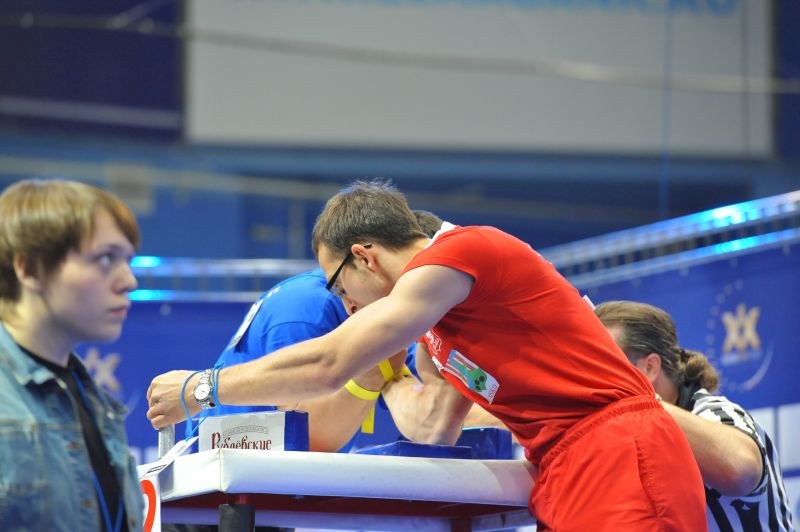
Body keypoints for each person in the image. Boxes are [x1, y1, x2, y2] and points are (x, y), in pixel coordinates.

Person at [148, 180, 707, 530]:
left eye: (337, 286)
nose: (343, 304)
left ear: (364, 258)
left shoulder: (464, 252)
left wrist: (202, 388)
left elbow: (326, 365)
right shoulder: (439, 327)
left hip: (616, 455)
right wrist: (381, 370)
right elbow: (431, 427)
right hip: (562, 467)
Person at [205, 209, 445, 452]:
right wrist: (373, 375)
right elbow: (303, 439)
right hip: (227, 468)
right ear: (370, 260)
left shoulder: (401, 316)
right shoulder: (304, 307)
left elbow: (434, 416)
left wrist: (391, 375)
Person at [0, 179, 144, 531]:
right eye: (105, 258)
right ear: (30, 268)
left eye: (127, 260)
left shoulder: (91, 400)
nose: (129, 280)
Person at [595, 300, 794, 532]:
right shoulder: (625, 440)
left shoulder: (713, 412)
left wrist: (639, 406)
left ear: (649, 367)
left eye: (607, 365)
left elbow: (742, 470)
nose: (597, 378)